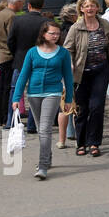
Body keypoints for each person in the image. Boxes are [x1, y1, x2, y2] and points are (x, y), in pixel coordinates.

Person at [11, 19, 74, 181]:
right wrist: (16, 97)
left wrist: (68, 99)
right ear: (43, 34)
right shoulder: (32, 52)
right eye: (51, 33)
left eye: (57, 33)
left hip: (52, 93)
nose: (55, 36)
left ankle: (43, 165)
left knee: (45, 129)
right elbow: (23, 75)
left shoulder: (63, 53)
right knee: (41, 130)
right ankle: (48, 155)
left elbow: (68, 77)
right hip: (33, 94)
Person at [63, 0, 109, 158]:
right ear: (81, 9)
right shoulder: (76, 28)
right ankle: (81, 142)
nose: (90, 8)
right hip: (81, 73)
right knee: (82, 108)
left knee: (97, 107)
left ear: (98, 8)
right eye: (86, 6)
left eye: (93, 5)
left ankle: (94, 143)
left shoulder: (105, 24)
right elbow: (67, 49)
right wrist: (70, 64)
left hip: (101, 71)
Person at [7, 0, 49, 132]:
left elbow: (10, 41)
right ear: (42, 6)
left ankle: (11, 120)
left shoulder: (18, 20)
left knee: (15, 90)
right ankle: (32, 124)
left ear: (29, 5)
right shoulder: (45, 23)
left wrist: (16, 53)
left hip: (20, 59)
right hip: (39, 60)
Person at [0, 0, 23, 127]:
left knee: (2, 88)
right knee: (7, 87)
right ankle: (5, 116)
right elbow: (12, 37)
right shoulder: (11, 16)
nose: (22, 6)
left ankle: (0, 116)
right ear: (17, 3)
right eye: (22, 3)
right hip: (8, 54)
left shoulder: (1, 13)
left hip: (1, 52)